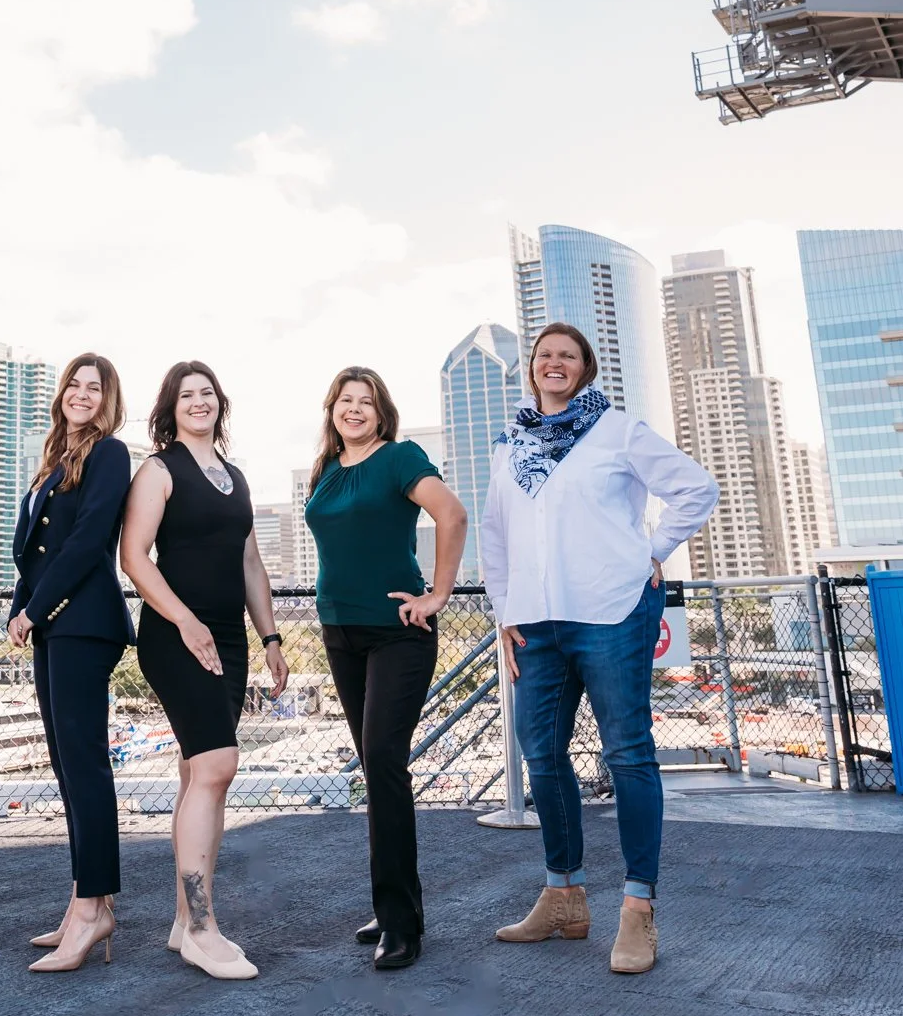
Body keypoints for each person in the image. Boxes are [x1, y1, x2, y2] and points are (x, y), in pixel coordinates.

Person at [479, 322, 719, 976]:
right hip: (535, 624)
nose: (553, 364)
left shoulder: (615, 430)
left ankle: (638, 907)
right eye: (543, 356)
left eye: (567, 356)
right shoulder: (508, 446)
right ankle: (563, 896)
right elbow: (494, 537)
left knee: (627, 753)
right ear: (530, 370)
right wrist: (503, 612)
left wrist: (651, 553)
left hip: (611, 610)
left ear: (582, 368)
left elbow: (696, 489)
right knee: (541, 756)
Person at [119, 360, 287, 981]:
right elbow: (134, 557)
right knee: (218, 765)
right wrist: (186, 622)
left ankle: (183, 916)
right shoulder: (158, 471)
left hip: (229, 639)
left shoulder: (235, 478)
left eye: (207, 393)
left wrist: (269, 637)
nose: (199, 402)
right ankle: (201, 929)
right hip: (173, 634)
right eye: (187, 394)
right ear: (170, 406)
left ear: (221, 404)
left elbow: (250, 563)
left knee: (199, 773)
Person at [304, 367, 468, 972]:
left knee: (385, 764)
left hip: (398, 633)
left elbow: (451, 516)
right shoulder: (324, 471)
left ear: (380, 411)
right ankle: (397, 904)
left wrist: (438, 594)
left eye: (365, 402)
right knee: (375, 771)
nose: (354, 409)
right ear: (332, 409)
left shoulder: (400, 458)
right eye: (345, 400)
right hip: (338, 633)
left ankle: (401, 924)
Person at [6, 354, 133, 974]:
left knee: (85, 768)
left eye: (94, 387)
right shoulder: (56, 459)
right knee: (66, 768)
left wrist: (34, 609)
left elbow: (86, 542)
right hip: (52, 624)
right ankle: (84, 900)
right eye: (74, 385)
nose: (81, 395)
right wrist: (18, 607)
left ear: (108, 399)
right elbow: (30, 550)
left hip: (82, 623)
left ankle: (94, 911)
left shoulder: (109, 454)